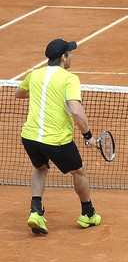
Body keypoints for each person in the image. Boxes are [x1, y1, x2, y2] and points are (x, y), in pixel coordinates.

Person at [15, 39, 102, 235]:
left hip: (30, 137)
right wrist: (88, 136)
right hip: (56, 140)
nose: (71, 56)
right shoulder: (69, 79)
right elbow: (77, 112)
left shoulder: (34, 75)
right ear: (63, 57)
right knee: (79, 172)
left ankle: (36, 212)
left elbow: (19, 93)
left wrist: (42, 93)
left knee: (40, 167)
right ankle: (87, 214)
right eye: (70, 53)